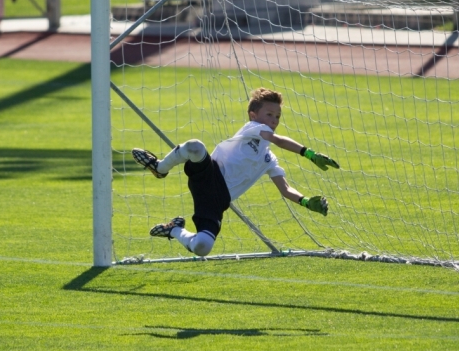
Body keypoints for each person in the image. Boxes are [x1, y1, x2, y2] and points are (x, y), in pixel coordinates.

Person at [132, 88, 339, 257]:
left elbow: (285, 189)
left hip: (217, 199)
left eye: (277, 116)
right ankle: (159, 168)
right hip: (209, 173)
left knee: (203, 247)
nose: (274, 120)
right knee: (195, 146)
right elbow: (278, 139)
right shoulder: (253, 128)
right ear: (254, 115)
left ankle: (174, 229)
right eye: (269, 114)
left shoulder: (269, 160)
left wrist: (305, 202)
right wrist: (308, 153)